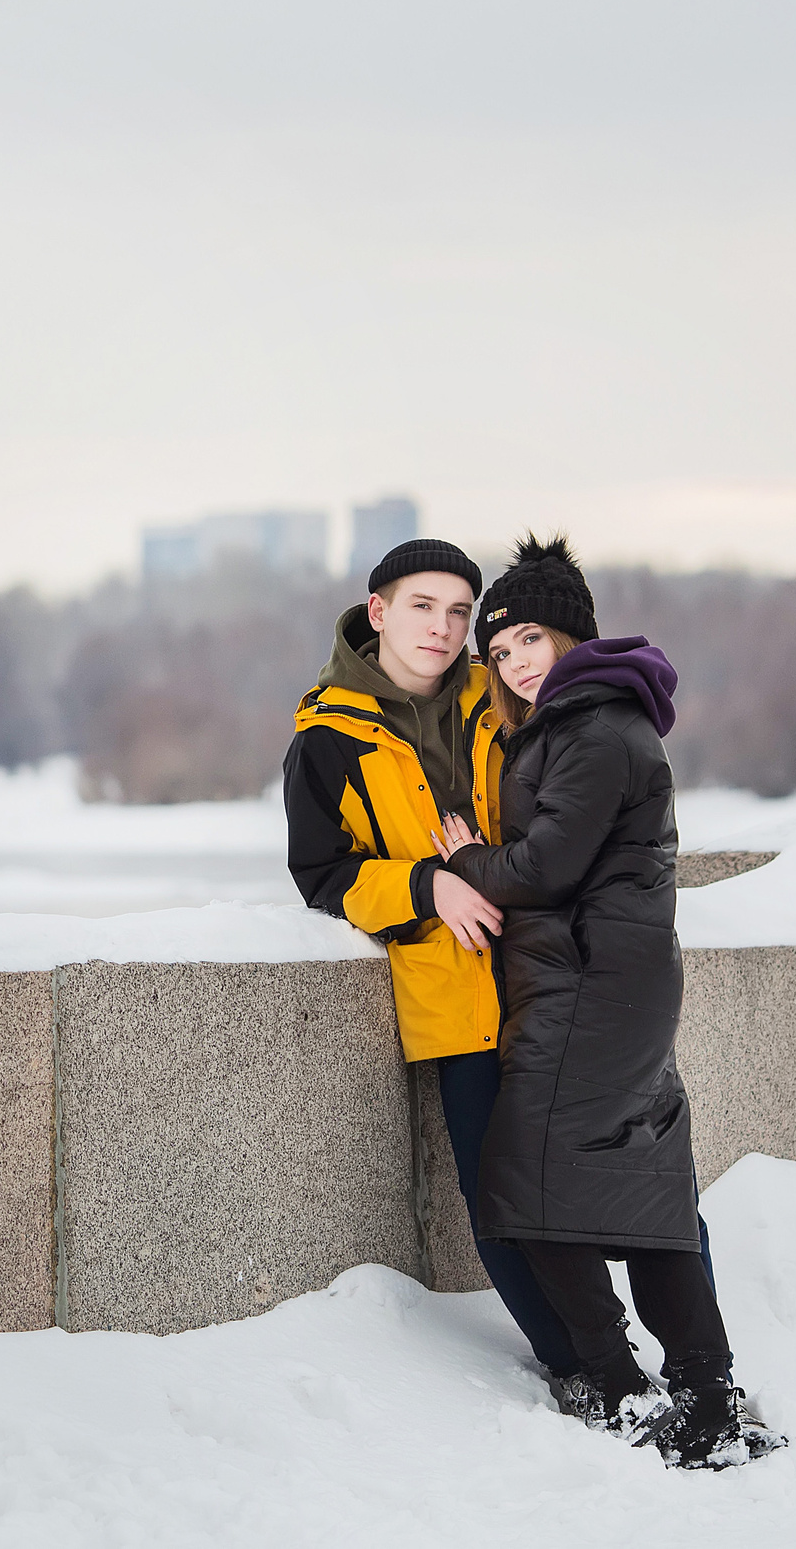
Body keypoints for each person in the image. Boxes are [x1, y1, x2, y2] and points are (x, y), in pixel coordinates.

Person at [435, 534, 784, 1469]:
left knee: (520, 1182)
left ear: (571, 636)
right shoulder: (594, 719)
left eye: (529, 640)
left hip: (588, 987)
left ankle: (621, 1386)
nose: (515, 663)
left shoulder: (589, 728)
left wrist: (464, 861)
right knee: (646, 1190)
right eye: (499, 651)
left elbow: (547, 866)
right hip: (615, 982)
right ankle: (705, 1392)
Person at [282, 538, 586, 1387]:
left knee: (614, 1173)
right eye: (422, 606)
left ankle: (682, 1361)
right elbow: (323, 876)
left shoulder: (505, 695)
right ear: (378, 611)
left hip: (551, 974)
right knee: (500, 1200)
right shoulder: (326, 739)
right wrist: (430, 884)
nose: (443, 628)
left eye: (459, 611)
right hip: (450, 1000)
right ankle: (580, 1368)